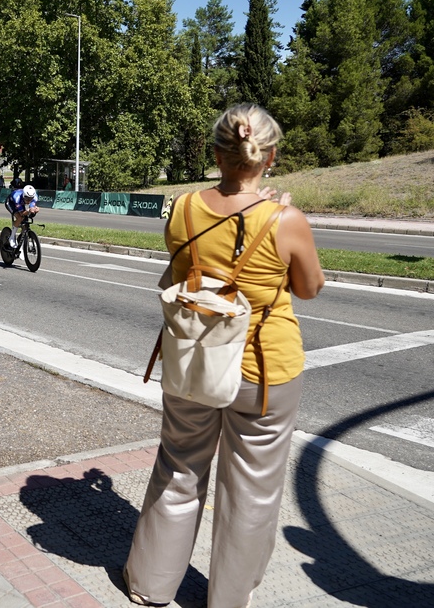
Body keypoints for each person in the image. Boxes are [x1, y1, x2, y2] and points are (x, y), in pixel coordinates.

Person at [123, 104, 324, 607]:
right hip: (264, 369)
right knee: (252, 488)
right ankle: (228, 599)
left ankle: (150, 585)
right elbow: (309, 288)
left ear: (217, 153)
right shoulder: (286, 219)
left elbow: (179, 272)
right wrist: (277, 218)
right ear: (270, 156)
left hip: (195, 358)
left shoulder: (184, 208)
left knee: (179, 464)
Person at [4, 184, 38, 248]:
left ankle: (21, 242)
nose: (28, 201)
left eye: (30, 199)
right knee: (19, 217)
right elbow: (22, 213)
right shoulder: (17, 197)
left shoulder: (35, 197)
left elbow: (31, 208)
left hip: (21, 203)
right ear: (23, 195)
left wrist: (35, 210)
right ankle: (12, 236)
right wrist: (29, 210)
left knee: (25, 221)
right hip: (11, 203)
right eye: (27, 198)